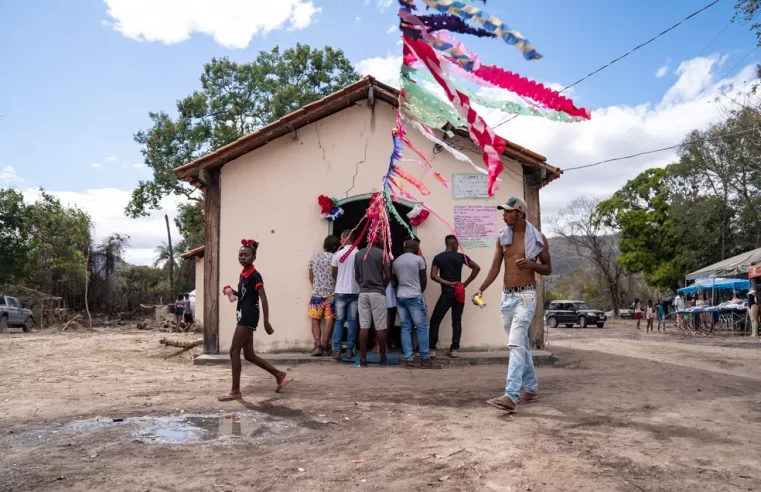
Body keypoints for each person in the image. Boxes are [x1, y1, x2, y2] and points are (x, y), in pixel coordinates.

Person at [476, 197, 551, 413]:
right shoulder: (503, 237)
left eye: (508, 212)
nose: (504, 215)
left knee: (516, 344)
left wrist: (532, 264)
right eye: (503, 211)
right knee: (520, 345)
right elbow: (495, 268)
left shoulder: (538, 239)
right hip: (507, 297)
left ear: (520, 214)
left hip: (526, 296)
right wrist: (481, 287)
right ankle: (532, 388)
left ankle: (511, 395)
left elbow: (547, 268)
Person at [218, 239, 291, 401]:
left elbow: (263, 298)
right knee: (249, 355)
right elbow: (245, 295)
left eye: (246, 255)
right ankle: (279, 374)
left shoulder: (254, 275)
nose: (242, 257)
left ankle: (235, 390)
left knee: (233, 351)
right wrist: (232, 292)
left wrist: (266, 321)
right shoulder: (243, 274)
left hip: (248, 315)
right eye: (240, 255)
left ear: (254, 257)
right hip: (243, 313)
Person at [429, 235, 481, 358]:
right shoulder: (461, 257)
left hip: (446, 293)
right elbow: (476, 268)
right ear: (453, 244)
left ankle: (432, 349)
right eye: (457, 245)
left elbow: (433, 275)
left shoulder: (438, 258)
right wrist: (465, 283)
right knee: (456, 321)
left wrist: (447, 283)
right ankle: (454, 349)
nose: (458, 247)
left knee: (435, 320)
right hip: (459, 292)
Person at [393, 237, 440, 369]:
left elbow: (395, 281)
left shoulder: (396, 261)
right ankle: (425, 359)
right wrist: (418, 292)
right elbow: (423, 280)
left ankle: (409, 359)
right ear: (414, 247)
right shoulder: (419, 260)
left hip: (401, 296)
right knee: (422, 327)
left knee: (405, 328)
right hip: (414, 296)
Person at [355, 234, 391, 367]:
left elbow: (356, 276)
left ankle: (363, 359)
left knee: (364, 327)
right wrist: (382, 287)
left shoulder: (359, 254)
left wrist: (363, 286)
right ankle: (382, 359)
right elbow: (388, 275)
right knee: (380, 327)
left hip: (363, 293)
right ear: (377, 240)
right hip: (378, 293)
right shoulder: (382, 254)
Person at [308, 235, 340, 356]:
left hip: (316, 294)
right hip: (331, 295)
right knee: (329, 321)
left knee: (315, 319)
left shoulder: (314, 257)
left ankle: (317, 346)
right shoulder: (335, 258)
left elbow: (310, 276)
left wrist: (315, 286)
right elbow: (336, 275)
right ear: (336, 247)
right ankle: (325, 346)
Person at [331, 230, 360, 360]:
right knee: (353, 321)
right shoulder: (358, 254)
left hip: (340, 290)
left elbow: (334, 274)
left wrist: (341, 281)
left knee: (339, 321)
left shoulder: (337, 254)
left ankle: (337, 350)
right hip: (354, 291)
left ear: (346, 239)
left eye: (341, 239)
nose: (340, 241)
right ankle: (349, 350)